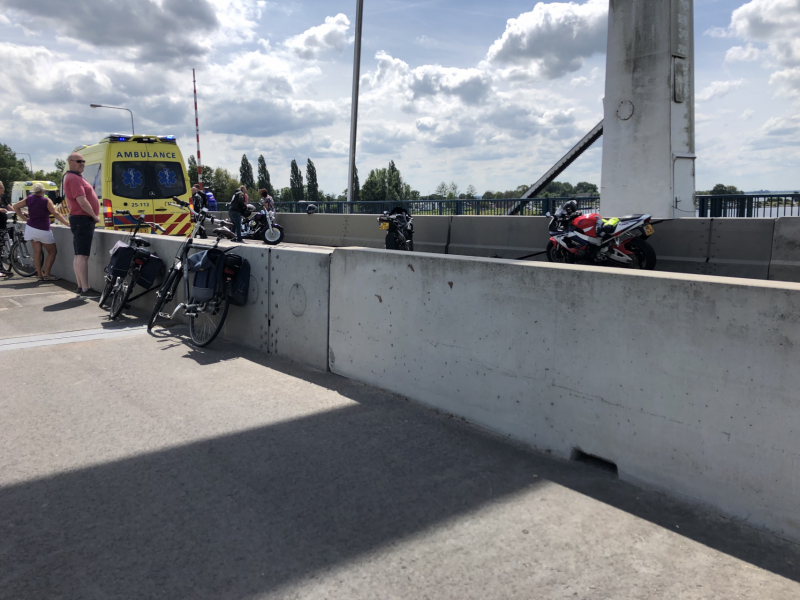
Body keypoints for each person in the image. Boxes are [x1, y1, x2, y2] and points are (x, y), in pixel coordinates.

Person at [12, 182, 70, 281]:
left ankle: (39, 274)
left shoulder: (29, 199)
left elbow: (16, 207)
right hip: (43, 229)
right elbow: (55, 213)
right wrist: (67, 223)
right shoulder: (46, 200)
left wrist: (24, 218)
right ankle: (47, 274)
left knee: (37, 252)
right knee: (52, 252)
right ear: (43, 191)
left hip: (31, 228)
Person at [63, 152, 101, 296]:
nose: (82, 163)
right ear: (70, 162)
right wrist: (94, 216)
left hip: (79, 219)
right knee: (83, 255)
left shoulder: (74, 177)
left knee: (79, 254)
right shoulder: (74, 179)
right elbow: (82, 201)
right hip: (82, 219)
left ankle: (81, 286)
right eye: (79, 161)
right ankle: (85, 288)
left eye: (83, 161)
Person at [0, 181, 10, 279]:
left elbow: (10, 208)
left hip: (2, 226)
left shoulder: (3, 199)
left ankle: (1, 267)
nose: (4, 189)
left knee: (1, 247)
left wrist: (22, 212)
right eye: (2, 187)